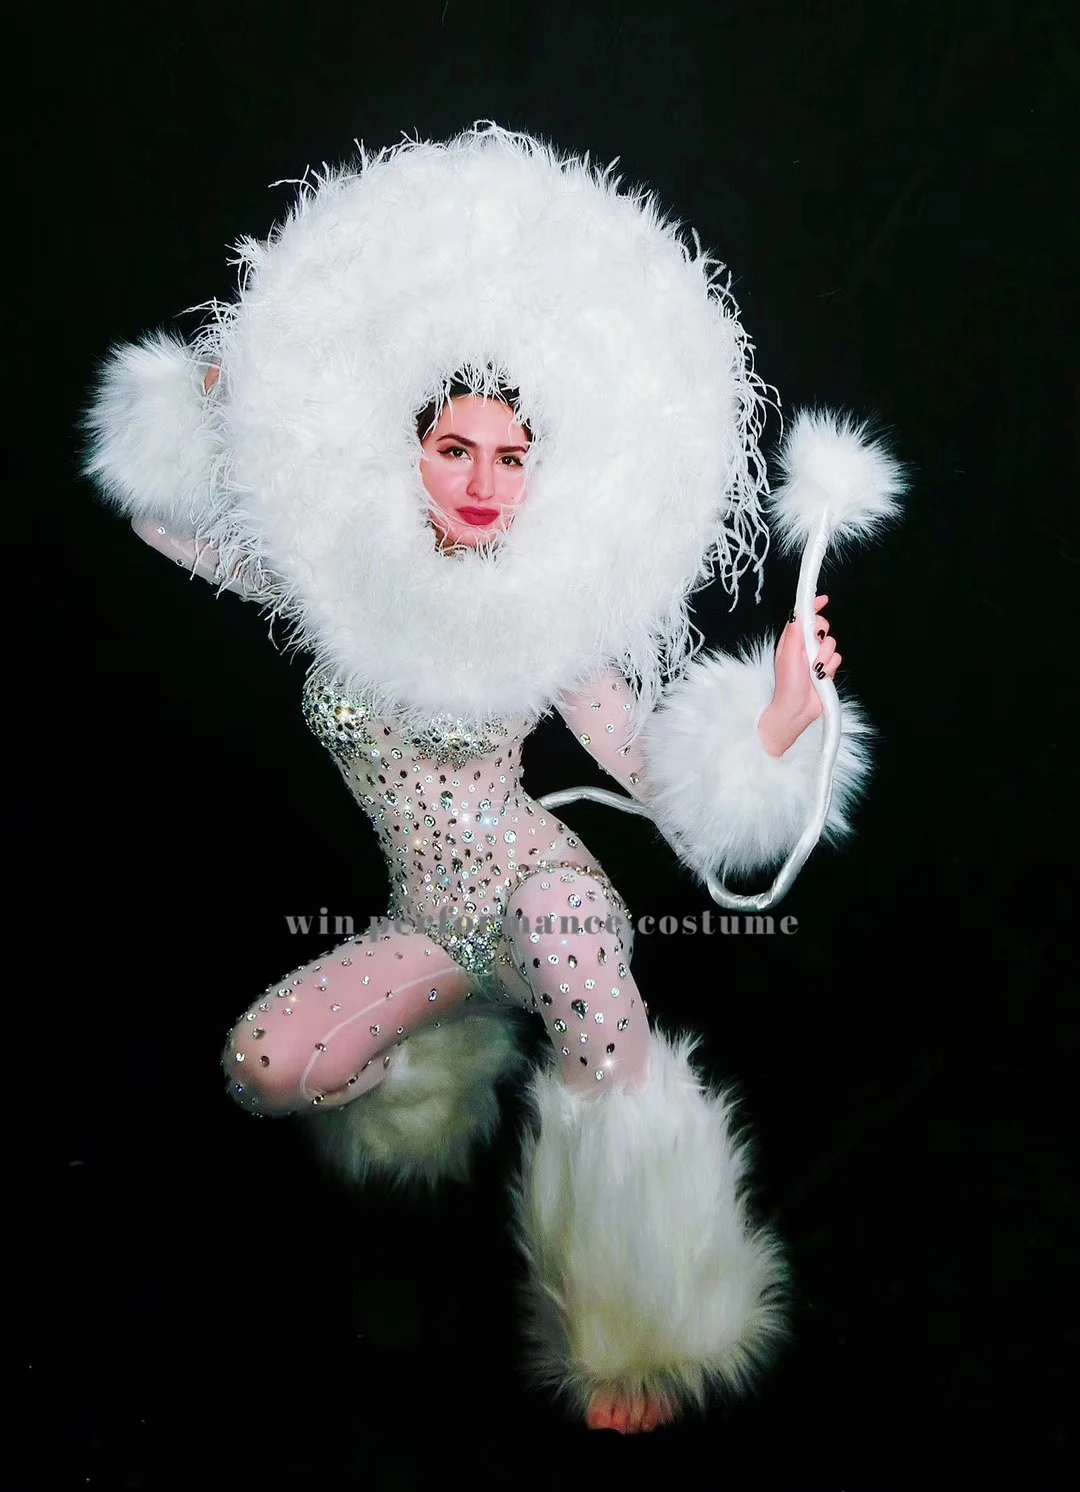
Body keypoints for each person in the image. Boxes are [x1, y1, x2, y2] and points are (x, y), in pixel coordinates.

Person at [86, 125, 888, 1435]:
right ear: (407, 450)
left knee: (593, 1007)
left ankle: (641, 1325)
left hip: (538, 894)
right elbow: (155, 517)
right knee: (266, 1067)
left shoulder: (547, 619)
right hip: (429, 920)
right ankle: (449, 1044)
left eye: (511, 459)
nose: (482, 484)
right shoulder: (332, 581)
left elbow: (661, 778)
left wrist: (784, 718)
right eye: (455, 448)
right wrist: (219, 411)